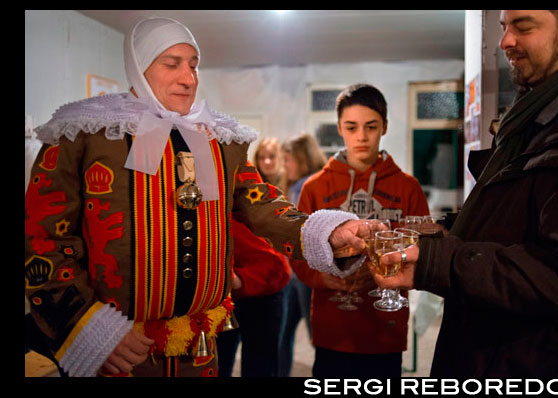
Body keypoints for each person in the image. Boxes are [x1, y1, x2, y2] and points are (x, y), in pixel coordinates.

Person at [24, 16, 368, 377]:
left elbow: (262, 202)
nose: (188, 78)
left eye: (193, 65)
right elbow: (42, 239)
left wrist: (326, 232)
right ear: (139, 67)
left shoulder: (221, 140)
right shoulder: (82, 135)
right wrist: (90, 330)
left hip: (200, 348)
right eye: (172, 64)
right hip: (116, 352)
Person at [367, 10, 558, 377]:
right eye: (503, 27)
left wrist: (437, 263)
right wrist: (433, 233)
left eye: (523, 26)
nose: (505, 41)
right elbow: (512, 222)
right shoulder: (533, 118)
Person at [294, 84, 430, 378]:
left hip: (385, 325)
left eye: (371, 126)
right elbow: (296, 253)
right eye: (351, 127)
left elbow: (423, 248)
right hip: (333, 326)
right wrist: (324, 278)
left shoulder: (407, 187)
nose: (362, 136)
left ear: (385, 126)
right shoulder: (315, 187)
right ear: (340, 127)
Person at [277, 133, 327, 377]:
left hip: (307, 272)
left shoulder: (307, 186)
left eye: (288, 159)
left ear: (301, 158)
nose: (284, 165)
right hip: (298, 273)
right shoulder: (303, 184)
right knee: (287, 333)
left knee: (314, 336)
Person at [216, 219, 291, 377]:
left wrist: (239, 279)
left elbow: (278, 268)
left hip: (262, 291)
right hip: (219, 297)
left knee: (260, 365)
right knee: (216, 364)